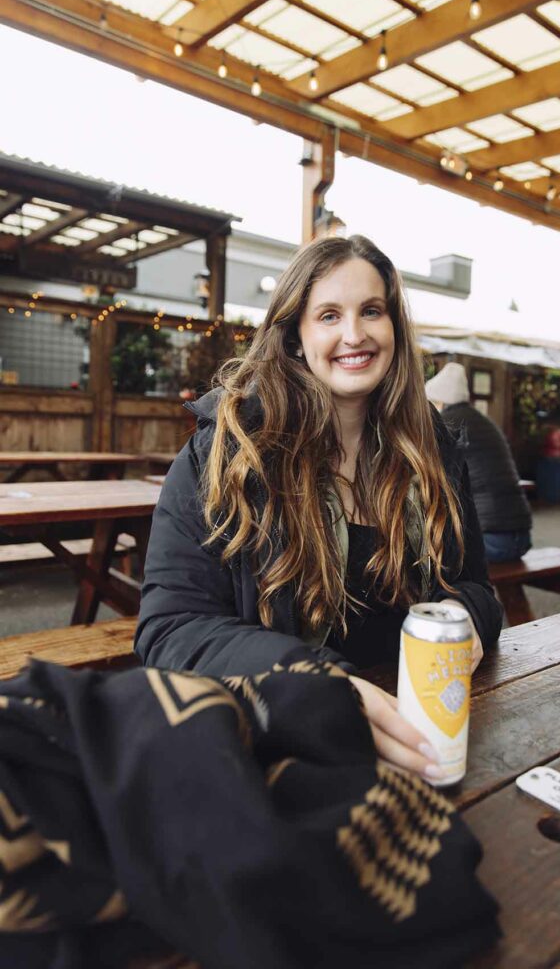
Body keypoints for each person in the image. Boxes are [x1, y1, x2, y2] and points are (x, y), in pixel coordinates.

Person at [136, 235, 502, 784]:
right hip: (281, 749)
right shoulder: (228, 452)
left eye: (371, 311)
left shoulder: (432, 449)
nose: (354, 334)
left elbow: (475, 587)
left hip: (420, 738)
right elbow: (170, 631)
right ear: (294, 336)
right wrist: (319, 684)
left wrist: (466, 624)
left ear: (394, 329)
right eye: (328, 315)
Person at [425, 361, 532, 563]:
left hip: (492, 540)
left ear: (439, 402)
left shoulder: (446, 424)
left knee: (425, 557)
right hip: (521, 537)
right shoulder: (484, 421)